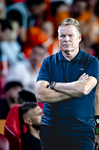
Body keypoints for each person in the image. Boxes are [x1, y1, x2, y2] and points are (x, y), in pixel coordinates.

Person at [35, 18, 99, 150]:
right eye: (62, 36)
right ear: (58, 38)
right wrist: (76, 89)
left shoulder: (91, 62)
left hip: (82, 131)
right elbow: (40, 94)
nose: (66, 39)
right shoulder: (48, 62)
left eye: (71, 35)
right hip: (51, 130)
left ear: (79, 37)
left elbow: (85, 89)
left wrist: (54, 85)